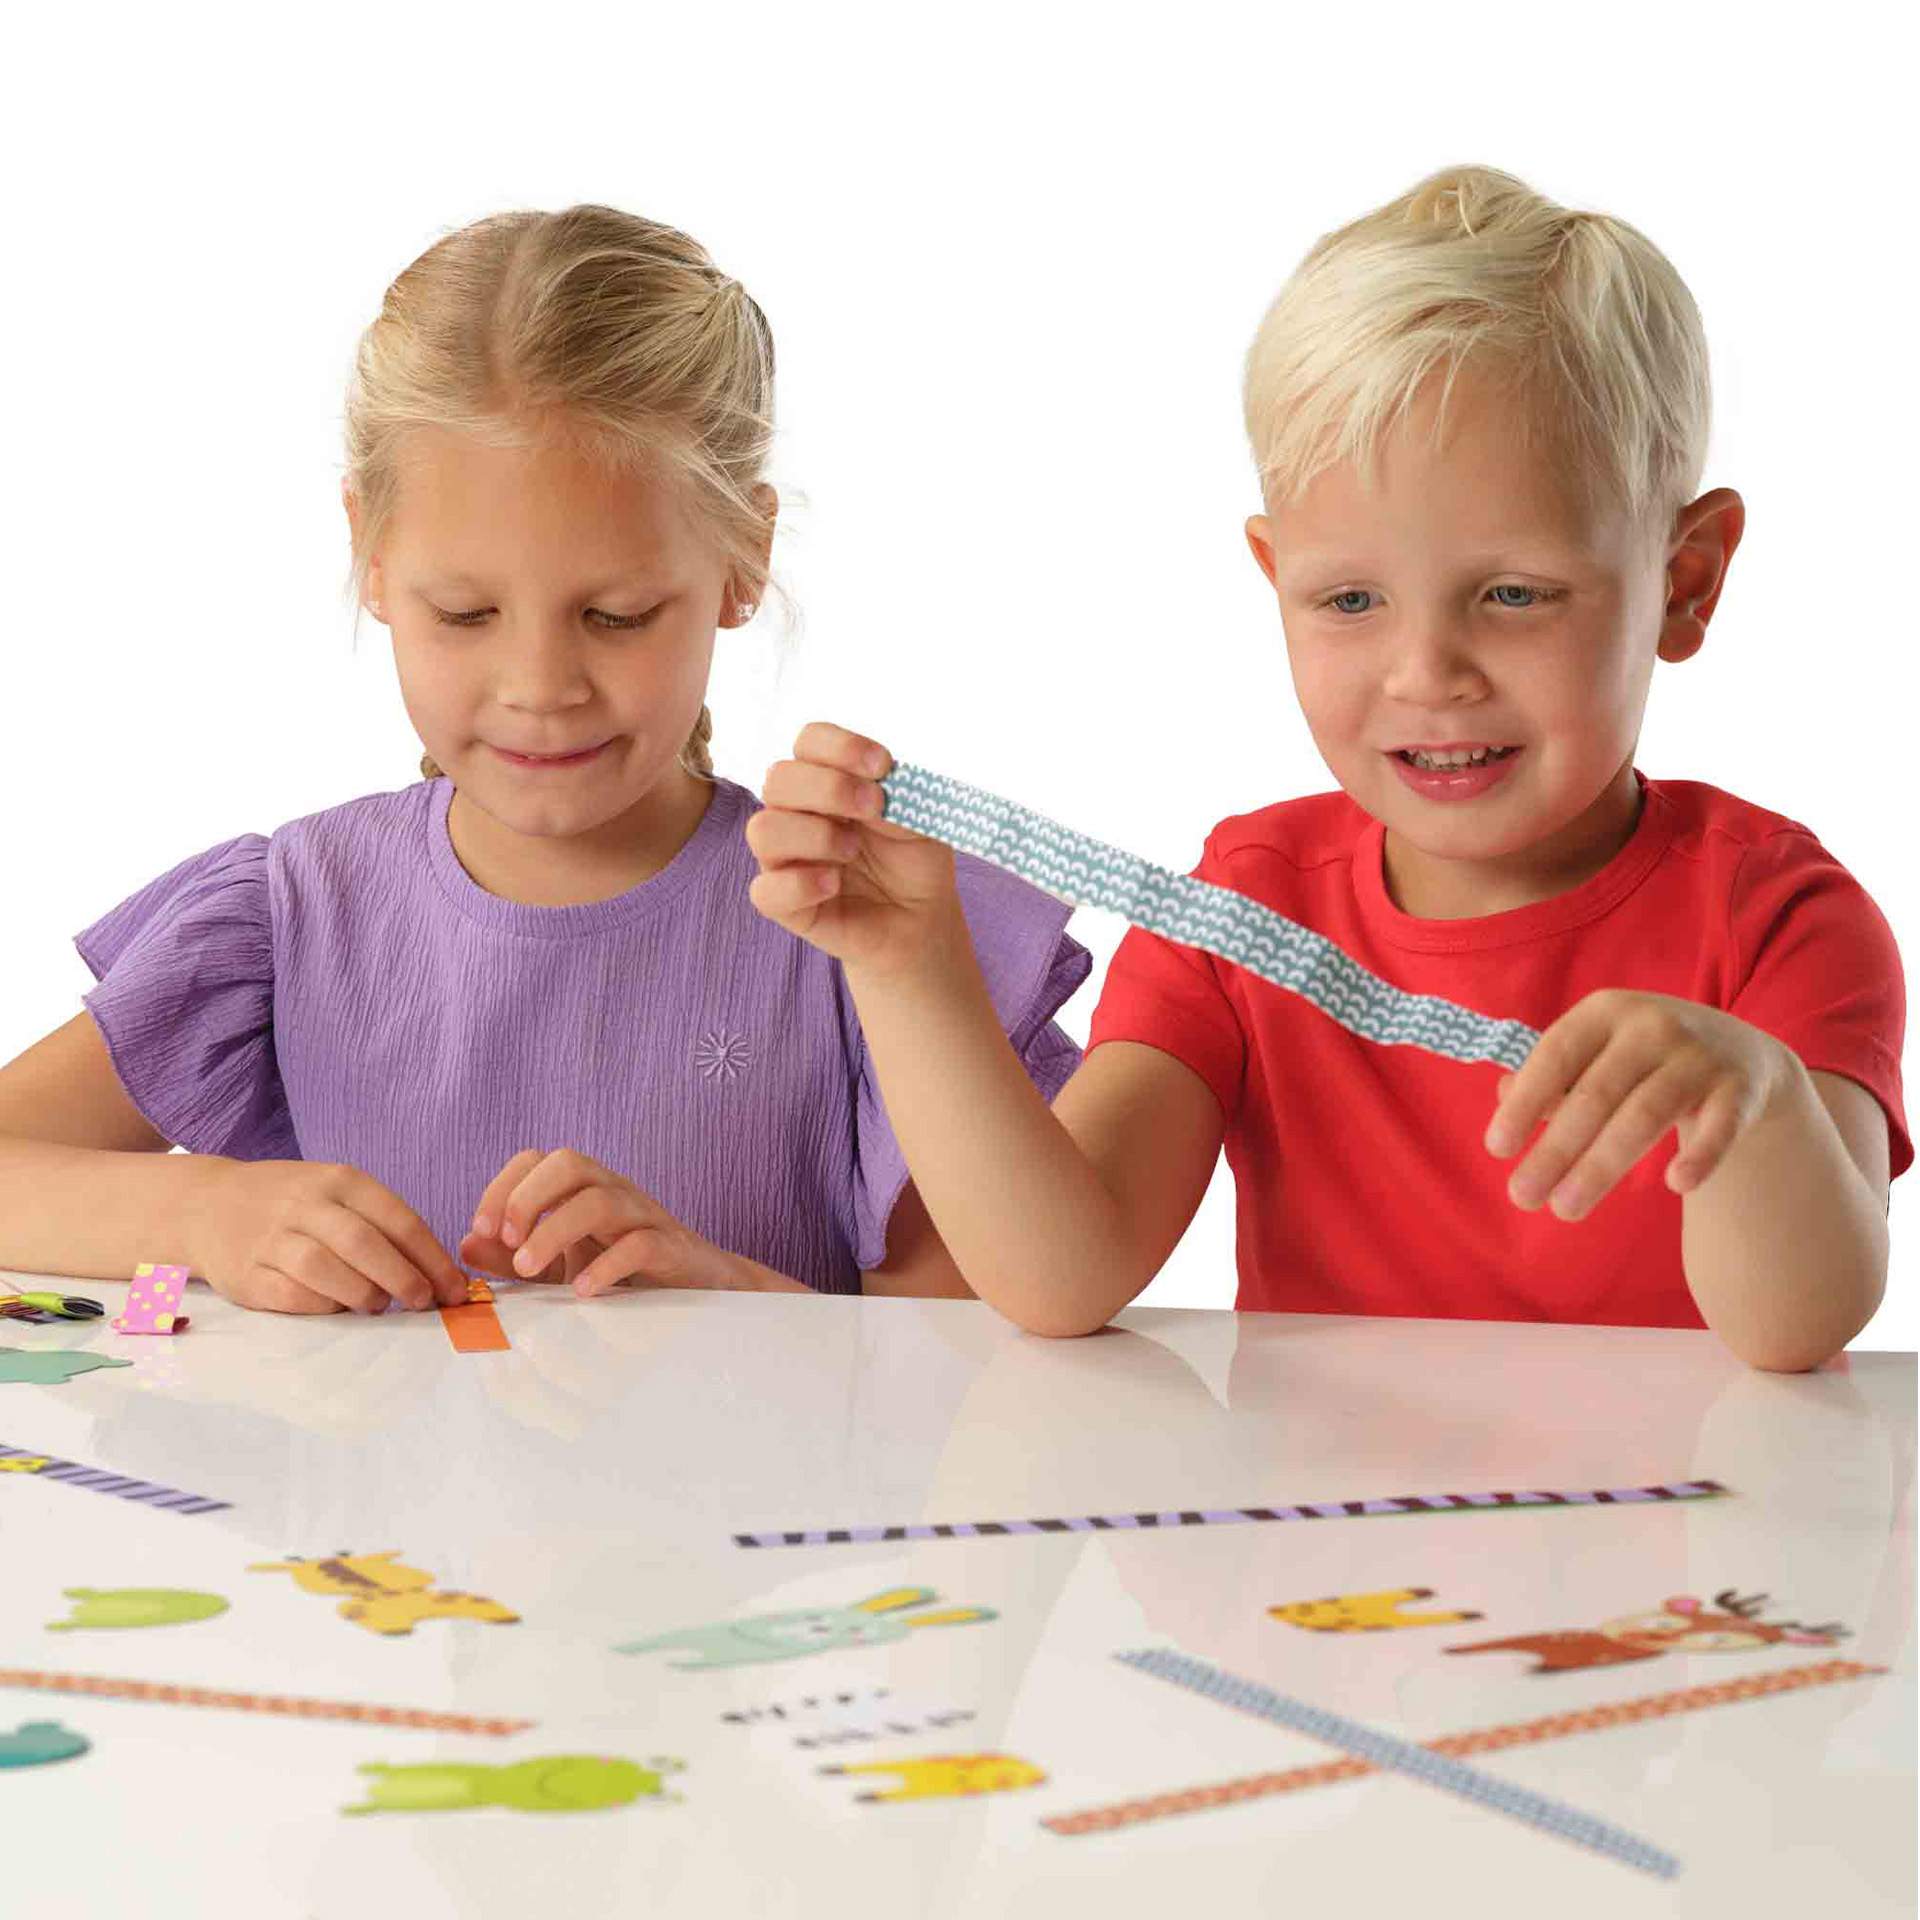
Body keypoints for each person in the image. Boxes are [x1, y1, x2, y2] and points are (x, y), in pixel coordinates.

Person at [748, 164, 1907, 1371]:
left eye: (1515, 594)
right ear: (1276, 578)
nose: (1426, 672)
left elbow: (1800, 1327)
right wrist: (911, 974)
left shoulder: (1779, 920)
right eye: (1350, 599)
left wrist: (1755, 1106)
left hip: (1680, 1502)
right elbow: (1061, 1273)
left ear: (1686, 580)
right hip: (1322, 1503)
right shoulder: (1244, 908)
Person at [0, 204, 1087, 1314]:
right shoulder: (291, 914)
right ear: (370, 555)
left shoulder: (863, 935)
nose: (540, 686)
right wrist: (203, 1212)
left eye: (616, 616)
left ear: (743, 559)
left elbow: (965, 1366)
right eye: (465, 613)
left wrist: (726, 1299)